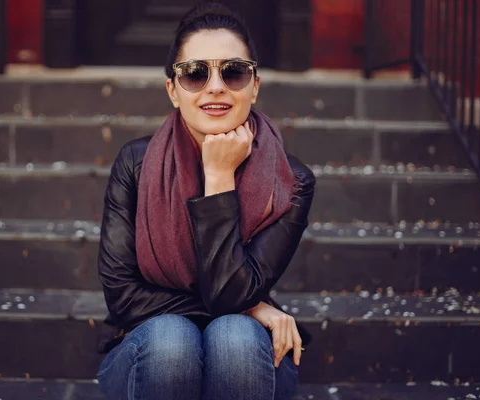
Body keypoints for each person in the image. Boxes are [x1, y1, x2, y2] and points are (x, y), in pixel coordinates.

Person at [96, 2, 315, 399]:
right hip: (148, 352)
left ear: (254, 86)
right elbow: (122, 297)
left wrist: (218, 178)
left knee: (234, 337)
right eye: (195, 73)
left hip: (245, 360)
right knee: (172, 340)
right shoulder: (136, 163)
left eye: (232, 72)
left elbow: (232, 295)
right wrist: (255, 308)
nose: (215, 87)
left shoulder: (291, 181)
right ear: (173, 91)